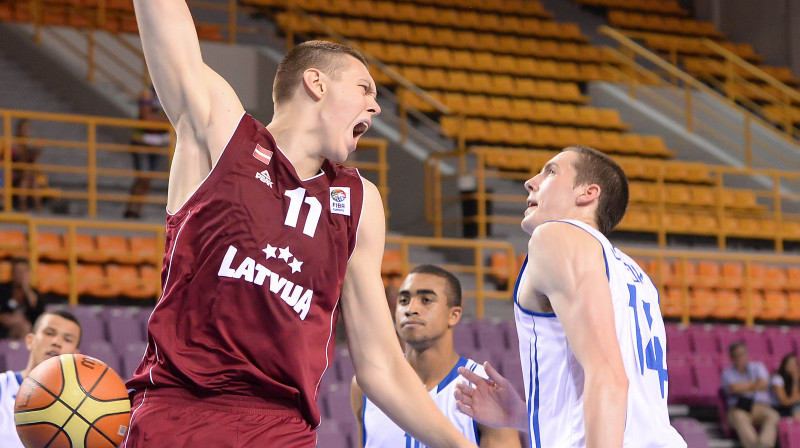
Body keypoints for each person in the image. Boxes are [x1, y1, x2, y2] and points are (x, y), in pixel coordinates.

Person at [125, 2, 477, 447]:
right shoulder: (223, 135)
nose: (376, 106)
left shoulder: (359, 202)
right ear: (316, 82)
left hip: (282, 430)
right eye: (365, 88)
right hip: (182, 414)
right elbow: (166, 22)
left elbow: (381, 365)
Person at [454, 146, 686, 447]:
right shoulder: (634, 273)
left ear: (587, 193)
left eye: (550, 172)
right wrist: (524, 416)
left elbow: (609, 376)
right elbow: (633, 409)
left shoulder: (557, 235)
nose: (531, 181)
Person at [351, 265, 521, 447]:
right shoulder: (367, 384)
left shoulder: (483, 388)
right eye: (404, 300)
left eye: (426, 300)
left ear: (454, 315)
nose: (411, 309)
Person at [0, 310, 82, 447]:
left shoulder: (82, 406)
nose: (57, 342)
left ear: (75, 355)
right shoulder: (3, 385)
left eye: (67, 339)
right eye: (49, 333)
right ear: (30, 340)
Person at [124, 85, 171, 219]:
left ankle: (137, 210)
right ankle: (130, 208)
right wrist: (162, 120)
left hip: (158, 145)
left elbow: (172, 119)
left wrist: (156, 120)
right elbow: (147, 118)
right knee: (142, 177)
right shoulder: (146, 95)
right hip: (142, 143)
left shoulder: (169, 97)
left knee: (147, 179)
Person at [722, 342, 780, 448]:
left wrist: (743, 387)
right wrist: (755, 384)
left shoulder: (757, 366)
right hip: (739, 408)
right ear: (731, 357)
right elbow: (734, 388)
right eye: (736, 356)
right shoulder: (727, 373)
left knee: (773, 415)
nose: (739, 358)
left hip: (759, 406)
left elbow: (764, 384)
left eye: (741, 354)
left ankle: (764, 445)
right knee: (739, 417)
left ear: (747, 354)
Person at [0, 259, 44, 340]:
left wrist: (26, 288)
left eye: (24, 272)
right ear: (12, 273)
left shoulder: (34, 293)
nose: (20, 275)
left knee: (25, 327)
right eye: (17, 271)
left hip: (25, 330)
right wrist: (3, 318)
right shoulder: (3, 289)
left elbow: (37, 311)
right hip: (3, 328)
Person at [12, 119, 43, 213]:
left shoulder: (28, 145)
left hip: (26, 175)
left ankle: (36, 206)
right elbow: (20, 160)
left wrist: (37, 151)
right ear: (18, 130)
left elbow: (32, 162)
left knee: (31, 177)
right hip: (14, 174)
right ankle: (23, 205)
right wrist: (35, 152)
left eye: (28, 128)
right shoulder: (14, 144)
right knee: (27, 176)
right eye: (24, 128)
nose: (26, 130)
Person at [771, 353, 800, 418]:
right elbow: (784, 402)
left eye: (795, 364)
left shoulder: (794, 379)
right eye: (790, 364)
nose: (793, 367)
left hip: (790, 407)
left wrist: (795, 381)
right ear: (785, 365)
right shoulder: (777, 378)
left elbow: (794, 398)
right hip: (777, 408)